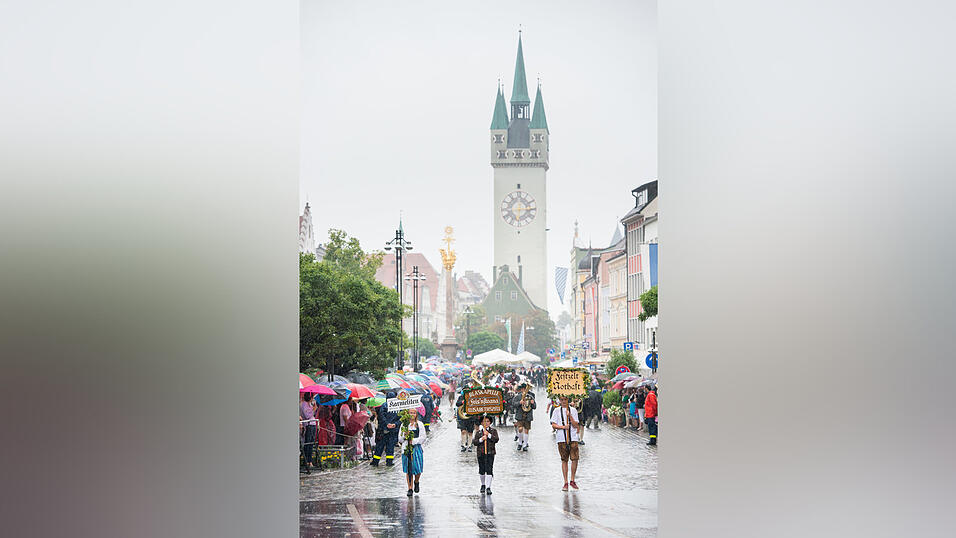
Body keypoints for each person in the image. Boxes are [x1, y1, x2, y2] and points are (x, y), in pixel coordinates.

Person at [550, 395, 581, 491]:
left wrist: (570, 417)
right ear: (559, 400)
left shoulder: (573, 410)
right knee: (564, 459)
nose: (563, 401)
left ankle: (572, 479)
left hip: (573, 438)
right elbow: (553, 425)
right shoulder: (556, 411)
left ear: (568, 400)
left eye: (565, 399)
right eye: (562, 400)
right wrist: (563, 427)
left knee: (575, 458)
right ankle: (565, 482)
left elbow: (576, 425)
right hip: (561, 438)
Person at [400, 410, 426, 496]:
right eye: (410, 413)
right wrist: (405, 435)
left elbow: (423, 437)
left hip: (416, 448)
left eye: (414, 413)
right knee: (408, 468)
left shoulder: (419, 424)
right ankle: (410, 488)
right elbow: (399, 439)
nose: (412, 415)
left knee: (418, 468)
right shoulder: (404, 425)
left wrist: (413, 441)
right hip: (406, 449)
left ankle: (416, 481)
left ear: (416, 415)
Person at [371, 392, 400, 466]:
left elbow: (381, 416)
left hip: (383, 430)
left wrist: (387, 424)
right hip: (393, 431)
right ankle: (389, 462)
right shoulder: (398, 406)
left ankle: (375, 462)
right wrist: (395, 424)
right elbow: (400, 418)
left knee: (380, 446)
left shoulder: (384, 405)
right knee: (390, 446)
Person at [473, 414, 499, 495]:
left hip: (490, 452)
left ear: (490, 422)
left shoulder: (493, 431)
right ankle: (483, 484)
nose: (486, 423)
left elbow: (496, 439)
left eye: (487, 421)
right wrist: (481, 439)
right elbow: (475, 442)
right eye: (484, 421)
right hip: (481, 453)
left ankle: (488, 487)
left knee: (489, 469)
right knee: (482, 469)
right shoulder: (478, 432)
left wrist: (489, 435)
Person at [513, 382, 536, 451]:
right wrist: (519, 403)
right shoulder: (517, 396)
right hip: (520, 415)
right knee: (520, 429)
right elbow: (513, 404)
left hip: (528, 415)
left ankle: (525, 444)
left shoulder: (530, 396)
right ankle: (520, 443)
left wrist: (532, 403)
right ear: (521, 389)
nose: (525, 390)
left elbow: (534, 407)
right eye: (524, 389)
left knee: (526, 430)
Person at [300, 393, 317, 473]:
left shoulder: (308, 404)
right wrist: (313, 409)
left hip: (313, 424)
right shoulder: (304, 405)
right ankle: (307, 461)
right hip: (309, 425)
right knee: (308, 443)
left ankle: (310, 461)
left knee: (311, 443)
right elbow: (307, 415)